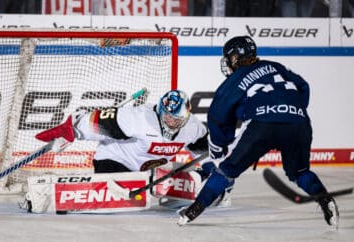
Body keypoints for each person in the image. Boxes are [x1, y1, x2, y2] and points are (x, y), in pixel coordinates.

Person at [177, 36, 339, 227]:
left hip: (261, 125)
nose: (228, 63)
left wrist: (220, 145)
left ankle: (192, 211)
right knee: (300, 172)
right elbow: (303, 87)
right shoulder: (276, 66)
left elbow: (218, 113)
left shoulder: (238, 77)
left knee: (226, 171)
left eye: (229, 58)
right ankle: (325, 199)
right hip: (299, 123)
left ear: (235, 58)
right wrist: (290, 112)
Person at [35, 89, 209, 174]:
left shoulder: (192, 127)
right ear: (162, 111)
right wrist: (73, 131)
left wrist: (209, 169)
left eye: (178, 119)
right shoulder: (139, 118)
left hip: (147, 171)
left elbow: (205, 148)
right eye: (170, 117)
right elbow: (98, 122)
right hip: (116, 159)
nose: (173, 123)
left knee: (191, 175)